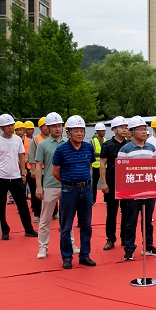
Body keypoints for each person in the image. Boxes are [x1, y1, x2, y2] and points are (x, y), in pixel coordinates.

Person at [51, 115, 96, 269]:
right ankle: (67, 257)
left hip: (87, 189)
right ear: (68, 133)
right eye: (76, 131)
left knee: (86, 225)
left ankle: (84, 255)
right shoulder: (61, 149)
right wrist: (68, 182)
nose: (80, 134)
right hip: (69, 190)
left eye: (82, 131)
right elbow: (55, 171)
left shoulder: (88, 147)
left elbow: (89, 166)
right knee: (66, 226)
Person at [35, 112, 79, 260]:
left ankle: (71, 244)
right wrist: (38, 186)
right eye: (54, 126)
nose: (57, 128)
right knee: (45, 218)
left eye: (59, 125)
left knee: (68, 217)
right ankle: (43, 246)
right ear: (48, 128)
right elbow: (38, 166)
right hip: (50, 185)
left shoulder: (69, 143)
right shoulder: (43, 145)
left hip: (67, 184)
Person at [118, 116, 156, 260]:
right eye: (140, 129)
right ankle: (129, 249)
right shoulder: (125, 149)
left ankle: (148, 246)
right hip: (132, 193)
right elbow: (121, 172)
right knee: (131, 221)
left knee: (148, 221)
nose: (144, 132)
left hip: (149, 191)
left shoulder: (151, 148)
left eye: (145, 129)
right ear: (132, 132)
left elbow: (155, 168)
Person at [0, 114, 38, 240]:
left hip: (16, 176)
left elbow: (21, 156)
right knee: (1, 205)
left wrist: (23, 173)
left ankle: (28, 229)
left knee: (22, 204)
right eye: (8, 126)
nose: (11, 128)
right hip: (1, 176)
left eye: (12, 125)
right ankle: (4, 231)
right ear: (1, 127)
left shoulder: (17, 139)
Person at [100, 116, 129, 250]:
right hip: (111, 182)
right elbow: (102, 164)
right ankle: (110, 239)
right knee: (111, 212)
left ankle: (125, 238)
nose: (124, 129)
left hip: (127, 182)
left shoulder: (129, 145)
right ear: (114, 129)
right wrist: (103, 183)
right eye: (121, 127)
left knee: (126, 211)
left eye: (126, 127)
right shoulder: (107, 145)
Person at [91, 122, 107, 205]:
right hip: (95, 166)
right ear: (97, 131)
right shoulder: (93, 141)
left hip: (105, 166)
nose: (104, 132)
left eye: (104, 130)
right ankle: (93, 200)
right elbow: (91, 153)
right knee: (94, 184)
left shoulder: (106, 141)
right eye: (102, 131)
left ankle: (106, 199)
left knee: (106, 182)